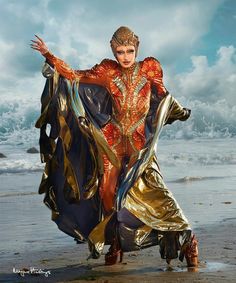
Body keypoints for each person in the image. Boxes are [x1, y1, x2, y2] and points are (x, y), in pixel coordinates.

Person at [31, 26, 198, 267]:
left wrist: (176, 111)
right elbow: (74, 75)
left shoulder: (150, 67)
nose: (126, 56)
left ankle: (188, 239)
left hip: (140, 146)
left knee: (158, 194)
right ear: (113, 50)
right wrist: (49, 55)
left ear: (137, 48)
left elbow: (162, 95)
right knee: (108, 195)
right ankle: (116, 245)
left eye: (130, 50)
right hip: (112, 144)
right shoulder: (108, 71)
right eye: (120, 51)